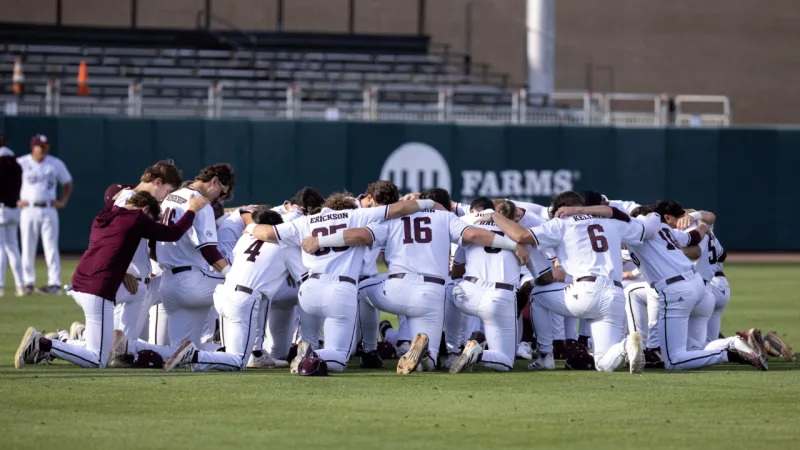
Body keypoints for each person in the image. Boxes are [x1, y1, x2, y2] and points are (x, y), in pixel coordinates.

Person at [299, 188, 530, 374]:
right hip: (430, 293)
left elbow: (359, 235)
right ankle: (421, 354)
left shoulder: (395, 219)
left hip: (394, 288)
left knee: (358, 289)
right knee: (428, 362)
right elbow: (473, 235)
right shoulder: (445, 217)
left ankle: (369, 349)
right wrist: (513, 245)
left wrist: (319, 241)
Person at [14, 191, 208, 369]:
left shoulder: (105, 214)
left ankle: (80, 338)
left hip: (80, 282)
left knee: (138, 291)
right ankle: (43, 344)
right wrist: (191, 210)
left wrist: (123, 273)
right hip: (98, 288)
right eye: (152, 219)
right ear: (146, 209)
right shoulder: (138, 218)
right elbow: (172, 233)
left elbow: (107, 248)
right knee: (97, 359)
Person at [247, 192, 435, 373]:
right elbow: (400, 208)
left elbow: (267, 232)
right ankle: (313, 354)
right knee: (339, 357)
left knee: (309, 338)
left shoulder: (304, 222)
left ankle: (305, 354)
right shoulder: (357, 215)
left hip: (309, 288)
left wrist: (248, 223)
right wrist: (429, 203)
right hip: (340, 288)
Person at [492, 191, 654, 373]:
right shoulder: (612, 221)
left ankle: (545, 356)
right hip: (615, 295)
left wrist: (495, 216)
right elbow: (644, 231)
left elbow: (521, 236)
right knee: (603, 363)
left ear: (561, 209)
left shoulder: (562, 222)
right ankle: (626, 346)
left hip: (585, 291)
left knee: (537, 294)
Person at [163, 209, 305, 372]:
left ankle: (203, 355)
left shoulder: (245, 238)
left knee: (232, 352)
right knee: (238, 361)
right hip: (244, 300)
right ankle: (195, 355)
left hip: (224, 294)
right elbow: (304, 278)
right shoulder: (285, 245)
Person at [155, 164, 235, 347]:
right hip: (190, 282)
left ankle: (132, 347)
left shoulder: (169, 197)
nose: (220, 199)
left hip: (167, 283)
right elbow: (209, 252)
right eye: (222, 192)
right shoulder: (200, 203)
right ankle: (253, 352)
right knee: (246, 290)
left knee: (182, 350)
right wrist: (233, 276)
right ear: (214, 181)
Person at [17, 134, 73, 295]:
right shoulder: (22, 163)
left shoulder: (55, 163)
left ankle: (54, 283)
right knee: (27, 246)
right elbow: (8, 181)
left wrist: (62, 202)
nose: (43, 150)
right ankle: (27, 282)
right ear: (33, 147)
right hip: (28, 209)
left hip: (49, 208)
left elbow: (68, 183)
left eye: (45, 147)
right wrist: (15, 199)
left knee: (51, 247)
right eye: (40, 147)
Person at [0, 131, 24, 297]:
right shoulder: (16, 163)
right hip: (14, 208)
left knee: (1, 248)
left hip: (1, 208)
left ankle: (0, 285)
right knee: (13, 247)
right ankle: (20, 285)